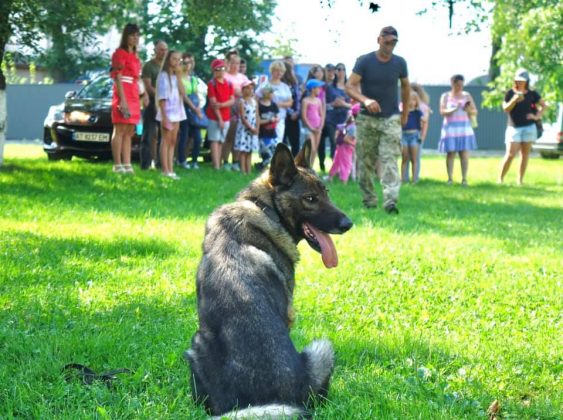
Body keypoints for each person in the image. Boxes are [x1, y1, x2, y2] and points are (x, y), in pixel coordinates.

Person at [346, 26, 410, 214]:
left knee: (390, 159)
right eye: (387, 41)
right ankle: (369, 199)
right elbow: (349, 86)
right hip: (367, 119)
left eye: (394, 42)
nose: (390, 45)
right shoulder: (365, 61)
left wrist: (404, 114)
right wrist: (365, 100)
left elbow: (406, 88)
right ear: (379, 40)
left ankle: (390, 201)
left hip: (391, 118)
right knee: (365, 162)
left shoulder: (400, 63)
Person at [498, 68, 547, 185]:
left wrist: (536, 116)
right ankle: (500, 179)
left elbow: (544, 105)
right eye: (518, 80)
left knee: (525, 155)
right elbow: (505, 108)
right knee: (510, 154)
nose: (520, 82)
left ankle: (520, 180)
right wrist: (514, 99)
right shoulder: (510, 93)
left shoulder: (532, 94)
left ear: (527, 81)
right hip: (514, 127)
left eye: (522, 80)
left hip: (529, 127)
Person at [110, 23, 147, 174]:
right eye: (132, 35)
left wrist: (144, 95)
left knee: (129, 131)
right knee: (119, 129)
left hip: (133, 93)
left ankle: (127, 163)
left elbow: (138, 79)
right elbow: (117, 76)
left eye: (137, 35)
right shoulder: (119, 53)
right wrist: (122, 100)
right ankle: (117, 164)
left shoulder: (136, 57)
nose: (135, 38)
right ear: (126, 36)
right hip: (122, 92)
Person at [438, 74, 478, 186]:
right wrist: (454, 109)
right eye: (457, 85)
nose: (459, 87)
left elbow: (475, 111)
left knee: (464, 154)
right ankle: (450, 178)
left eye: (461, 85)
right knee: (450, 154)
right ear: (452, 83)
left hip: (464, 129)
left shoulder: (467, 95)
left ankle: (464, 179)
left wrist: (468, 110)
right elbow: (442, 112)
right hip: (450, 129)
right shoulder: (445, 96)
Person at [155, 50, 186, 179]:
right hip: (167, 112)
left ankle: (171, 169)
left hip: (177, 112)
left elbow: (183, 93)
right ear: (168, 60)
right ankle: (165, 170)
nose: (177, 62)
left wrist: (179, 76)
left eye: (179, 59)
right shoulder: (163, 76)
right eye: (174, 59)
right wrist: (165, 117)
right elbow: (162, 97)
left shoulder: (176, 77)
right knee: (166, 140)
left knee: (173, 140)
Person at [140, 40, 168, 170]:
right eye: (161, 49)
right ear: (155, 50)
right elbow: (148, 86)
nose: (163, 52)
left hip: (167, 105)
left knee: (164, 135)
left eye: (165, 49)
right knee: (149, 134)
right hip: (151, 103)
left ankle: (161, 163)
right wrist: (161, 96)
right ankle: (145, 164)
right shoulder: (148, 66)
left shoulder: (168, 67)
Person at [222, 51, 250, 171]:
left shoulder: (243, 77)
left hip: (241, 109)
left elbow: (249, 90)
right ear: (228, 63)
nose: (235, 65)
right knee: (229, 135)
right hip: (229, 108)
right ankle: (225, 161)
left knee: (238, 137)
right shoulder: (224, 76)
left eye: (237, 63)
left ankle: (236, 161)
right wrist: (236, 91)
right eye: (233, 63)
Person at [206, 58, 235, 169]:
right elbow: (213, 104)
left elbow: (232, 100)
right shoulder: (212, 84)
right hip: (214, 117)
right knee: (214, 140)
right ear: (214, 70)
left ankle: (219, 162)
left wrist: (222, 105)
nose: (220, 71)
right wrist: (220, 119)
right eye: (217, 69)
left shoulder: (229, 83)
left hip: (226, 116)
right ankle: (216, 165)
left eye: (222, 68)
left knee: (221, 140)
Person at [178, 53, 205, 169]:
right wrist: (195, 109)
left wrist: (198, 107)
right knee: (184, 135)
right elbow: (184, 96)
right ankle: (181, 160)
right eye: (185, 62)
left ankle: (194, 160)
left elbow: (196, 94)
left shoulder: (194, 79)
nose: (187, 65)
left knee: (198, 138)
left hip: (194, 109)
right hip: (183, 108)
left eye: (190, 62)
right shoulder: (179, 78)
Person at [256, 61, 293, 145]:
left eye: (281, 71)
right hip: (266, 119)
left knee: (278, 142)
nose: (279, 73)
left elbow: (290, 102)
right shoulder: (265, 85)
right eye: (277, 70)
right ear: (272, 71)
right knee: (267, 143)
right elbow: (256, 98)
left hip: (280, 118)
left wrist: (278, 105)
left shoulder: (285, 87)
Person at [323, 62, 351, 171]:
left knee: (346, 146)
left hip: (346, 120)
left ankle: (344, 170)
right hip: (332, 120)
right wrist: (333, 104)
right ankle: (335, 169)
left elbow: (354, 106)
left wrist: (344, 104)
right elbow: (323, 105)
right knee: (334, 144)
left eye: (343, 69)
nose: (341, 71)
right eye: (338, 69)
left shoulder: (349, 87)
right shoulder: (329, 88)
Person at [403, 82, 431, 182]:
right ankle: (404, 178)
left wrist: (422, 137)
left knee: (415, 158)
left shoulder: (422, 107)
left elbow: (425, 123)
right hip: (405, 134)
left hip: (416, 135)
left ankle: (415, 178)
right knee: (405, 158)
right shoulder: (403, 105)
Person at [329, 103, 360, 184]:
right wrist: (354, 144)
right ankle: (344, 181)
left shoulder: (350, 125)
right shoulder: (353, 127)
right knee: (346, 164)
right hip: (346, 148)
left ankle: (330, 177)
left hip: (341, 147)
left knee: (337, 162)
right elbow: (346, 139)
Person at [234, 80, 260, 174]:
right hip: (244, 129)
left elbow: (257, 115)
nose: (250, 90)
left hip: (253, 128)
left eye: (251, 88)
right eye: (247, 88)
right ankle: (243, 171)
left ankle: (248, 171)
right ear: (243, 89)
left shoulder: (254, 102)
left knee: (250, 151)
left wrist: (257, 128)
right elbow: (243, 117)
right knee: (243, 150)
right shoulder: (242, 102)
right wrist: (251, 128)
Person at [301, 79, 325, 167]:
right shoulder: (305, 101)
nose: (320, 90)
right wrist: (311, 128)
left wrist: (320, 126)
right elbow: (304, 116)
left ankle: (311, 167)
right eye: (318, 88)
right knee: (312, 148)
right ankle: (306, 166)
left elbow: (321, 114)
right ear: (312, 89)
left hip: (318, 128)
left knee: (315, 149)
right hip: (309, 128)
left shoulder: (318, 101)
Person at [256, 85, 279, 169]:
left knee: (273, 153)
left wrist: (276, 119)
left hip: (272, 133)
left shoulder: (273, 105)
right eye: (272, 93)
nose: (273, 94)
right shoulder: (259, 105)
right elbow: (258, 120)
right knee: (266, 154)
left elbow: (277, 116)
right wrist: (269, 120)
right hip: (263, 133)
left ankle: (267, 168)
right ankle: (261, 166)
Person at [281, 61, 301, 157]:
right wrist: (291, 112)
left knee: (295, 142)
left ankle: (296, 163)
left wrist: (297, 112)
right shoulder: (280, 84)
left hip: (294, 117)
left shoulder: (294, 84)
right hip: (283, 115)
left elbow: (297, 99)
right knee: (282, 141)